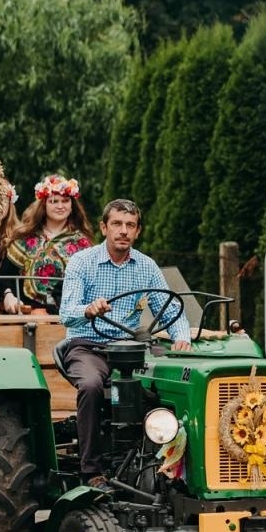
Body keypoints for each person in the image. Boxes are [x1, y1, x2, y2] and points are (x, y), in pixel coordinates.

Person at [57, 198, 192, 486]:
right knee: (91, 386)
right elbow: (67, 313)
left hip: (130, 350)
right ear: (104, 227)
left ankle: (167, 465)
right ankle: (91, 470)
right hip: (88, 345)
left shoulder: (146, 266)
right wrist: (87, 309)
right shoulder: (83, 262)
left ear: (137, 231)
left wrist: (181, 336)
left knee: (169, 385)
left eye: (130, 225)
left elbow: (170, 309)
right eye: (117, 224)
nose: (123, 231)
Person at [0, 173, 93, 316]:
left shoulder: (82, 244)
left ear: (72, 205)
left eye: (65, 201)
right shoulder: (26, 238)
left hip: (68, 315)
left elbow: (90, 284)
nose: (60, 206)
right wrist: (8, 295)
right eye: (53, 201)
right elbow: (6, 276)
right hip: (27, 314)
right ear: (44, 205)